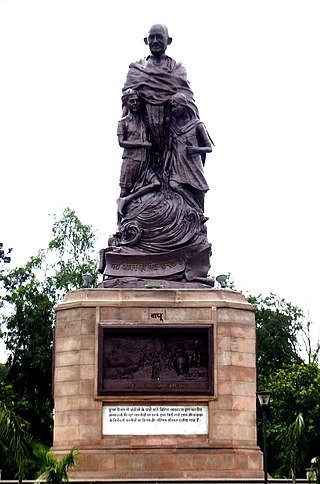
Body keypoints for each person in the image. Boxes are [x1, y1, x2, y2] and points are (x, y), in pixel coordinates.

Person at [122, 24, 198, 169]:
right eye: (152, 37)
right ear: (146, 41)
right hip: (144, 128)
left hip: (172, 127)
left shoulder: (177, 69)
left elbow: (188, 99)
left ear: (168, 41)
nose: (155, 41)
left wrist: (179, 103)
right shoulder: (136, 70)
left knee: (174, 168)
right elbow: (127, 101)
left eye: (159, 37)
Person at [117, 88, 160, 219]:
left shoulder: (144, 121)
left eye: (137, 101)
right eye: (132, 101)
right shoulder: (123, 122)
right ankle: (120, 224)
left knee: (156, 183)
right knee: (124, 190)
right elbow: (121, 142)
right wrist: (141, 144)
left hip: (145, 162)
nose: (135, 103)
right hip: (130, 162)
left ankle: (128, 200)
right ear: (127, 103)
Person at [167, 92, 213, 213]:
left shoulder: (198, 125)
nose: (174, 109)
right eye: (172, 106)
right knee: (174, 184)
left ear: (183, 105)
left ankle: (200, 213)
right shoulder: (174, 126)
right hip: (178, 163)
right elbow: (170, 147)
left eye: (175, 106)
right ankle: (196, 209)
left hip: (192, 163)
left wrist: (196, 150)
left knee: (199, 188)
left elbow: (209, 148)